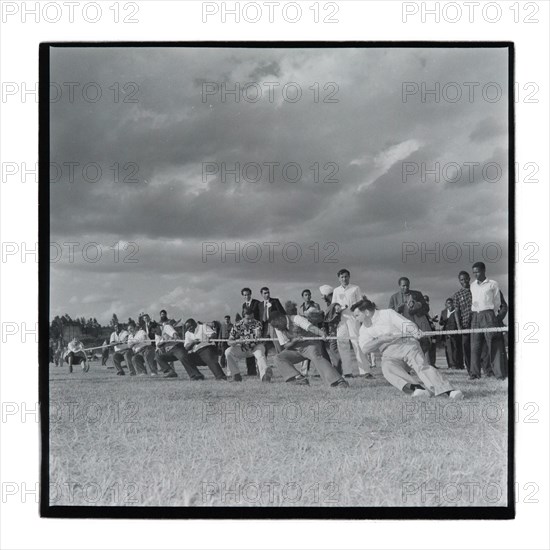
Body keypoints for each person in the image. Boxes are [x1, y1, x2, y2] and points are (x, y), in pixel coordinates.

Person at [353, 297, 463, 399]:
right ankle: (417, 389)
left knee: (420, 365)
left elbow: (405, 324)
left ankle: (448, 391)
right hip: (388, 352)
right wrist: (381, 340)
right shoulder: (363, 329)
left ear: (366, 312)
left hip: (406, 344)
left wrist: (414, 331)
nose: (356, 319)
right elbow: (365, 349)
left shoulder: (387, 314)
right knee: (387, 368)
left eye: (357, 315)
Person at [270, 310, 348, 387]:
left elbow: (311, 328)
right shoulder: (277, 328)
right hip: (296, 349)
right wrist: (294, 341)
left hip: (310, 344)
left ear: (281, 319)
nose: (277, 329)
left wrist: (322, 334)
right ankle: (298, 379)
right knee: (278, 358)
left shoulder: (296, 318)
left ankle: (337, 382)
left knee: (316, 357)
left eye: (277, 326)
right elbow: (285, 345)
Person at [331, 269, 372, 378]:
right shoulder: (336, 290)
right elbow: (333, 305)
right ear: (339, 278)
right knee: (342, 344)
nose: (344, 279)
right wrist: (337, 308)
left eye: (346, 276)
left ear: (349, 277)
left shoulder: (355, 288)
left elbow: (360, 303)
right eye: (342, 277)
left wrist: (352, 308)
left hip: (353, 318)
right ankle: (347, 372)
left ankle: (365, 372)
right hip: (341, 320)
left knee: (357, 343)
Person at [469, 262, 507, 380]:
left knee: (494, 344)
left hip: (488, 315)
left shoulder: (493, 284)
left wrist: (492, 315)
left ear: (484, 271)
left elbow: (497, 302)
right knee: (475, 346)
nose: (475, 275)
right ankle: (474, 374)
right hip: (475, 316)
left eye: (478, 272)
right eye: (474, 272)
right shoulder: (472, 285)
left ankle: (499, 374)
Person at [388, 277, 433, 364]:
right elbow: (390, 313)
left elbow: (426, 308)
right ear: (399, 286)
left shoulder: (418, 294)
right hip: (403, 327)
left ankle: (425, 364)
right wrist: (398, 310)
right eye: (403, 286)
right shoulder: (394, 297)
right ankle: (406, 368)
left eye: (407, 286)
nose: (406, 288)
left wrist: (416, 311)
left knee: (424, 343)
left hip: (419, 324)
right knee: (406, 346)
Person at [225, 305, 271, 382]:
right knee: (228, 352)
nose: (250, 321)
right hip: (242, 348)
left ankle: (264, 376)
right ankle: (235, 375)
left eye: (252, 318)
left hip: (255, 347)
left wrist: (255, 337)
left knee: (260, 354)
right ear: (243, 317)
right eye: (248, 319)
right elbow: (229, 341)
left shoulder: (257, 323)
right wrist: (236, 341)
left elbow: (258, 335)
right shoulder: (236, 325)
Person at [453, 271, 473, 374]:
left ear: (469, 278)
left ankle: (487, 371)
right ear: (459, 281)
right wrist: (459, 326)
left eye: (465, 278)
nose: (464, 281)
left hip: (477, 322)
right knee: (466, 347)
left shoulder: (475, 289)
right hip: (465, 324)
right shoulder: (457, 294)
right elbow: (457, 312)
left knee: (481, 347)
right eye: (461, 279)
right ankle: (470, 371)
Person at [319, 285, 342, 374]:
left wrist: (323, 318)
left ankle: (338, 371)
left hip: (334, 331)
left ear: (325, 294)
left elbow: (336, 318)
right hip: (331, 331)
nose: (321, 297)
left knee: (334, 350)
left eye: (322, 295)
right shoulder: (330, 304)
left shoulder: (335, 305)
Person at [258, 287, 286, 360]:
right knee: (262, 346)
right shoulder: (260, 305)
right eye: (265, 293)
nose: (267, 294)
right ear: (261, 294)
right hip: (264, 327)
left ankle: (282, 360)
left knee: (278, 345)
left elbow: (282, 313)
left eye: (268, 293)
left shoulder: (275, 301)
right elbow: (259, 317)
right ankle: (263, 365)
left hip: (273, 326)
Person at [241, 288, 261, 376]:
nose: (246, 296)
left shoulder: (257, 303)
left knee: (258, 350)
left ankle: (261, 371)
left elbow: (260, 315)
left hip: (256, 329)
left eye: (248, 294)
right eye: (245, 295)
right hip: (247, 331)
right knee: (248, 349)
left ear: (251, 294)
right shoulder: (243, 305)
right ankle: (251, 372)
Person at [439, 298, 463, 369]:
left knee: (455, 349)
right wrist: (443, 321)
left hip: (455, 333)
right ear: (445, 304)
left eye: (451, 303)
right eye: (448, 303)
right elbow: (440, 322)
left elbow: (459, 321)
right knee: (448, 350)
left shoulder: (456, 311)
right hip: (446, 333)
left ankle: (456, 364)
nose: (449, 304)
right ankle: (450, 365)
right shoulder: (443, 312)